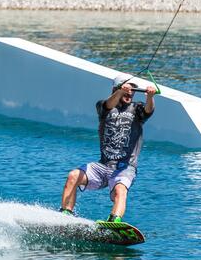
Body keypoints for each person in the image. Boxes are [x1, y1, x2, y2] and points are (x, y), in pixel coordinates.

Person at [59, 76, 156, 222]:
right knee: (73, 176)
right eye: (127, 90)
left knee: (120, 190)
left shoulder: (137, 109)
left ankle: (114, 221)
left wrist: (150, 97)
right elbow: (108, 105)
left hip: (124, 167)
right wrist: (119, 92)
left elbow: (149, 110)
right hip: (103, 165)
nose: (130, 93)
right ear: (116, 89)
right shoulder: (103, 107)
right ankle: (66, 215)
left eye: (132, 91)